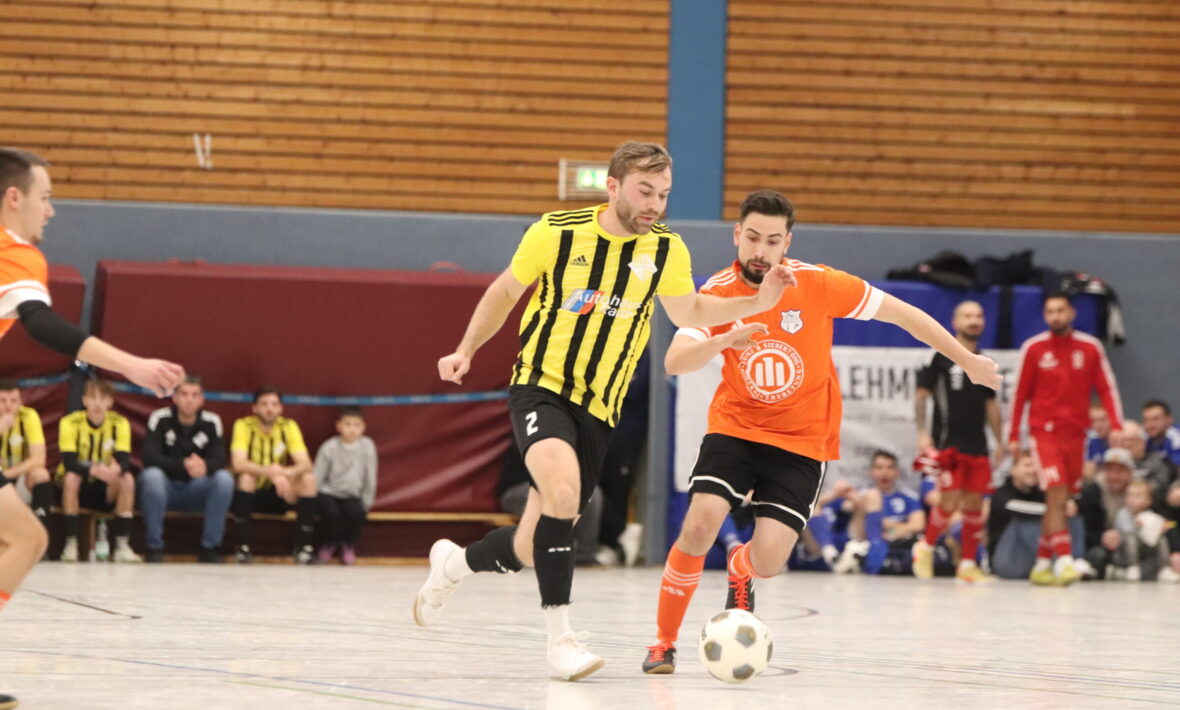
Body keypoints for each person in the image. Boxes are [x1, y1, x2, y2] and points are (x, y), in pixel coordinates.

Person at [415, 142, 796, 682]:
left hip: (600, 409)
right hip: (542, 388)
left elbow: (689, 309)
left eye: (663, 194)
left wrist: (755, 304)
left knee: (530, 546)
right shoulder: (556, 232)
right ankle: (561, 641)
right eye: (645, 191)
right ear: (613, 187)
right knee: (563, 492)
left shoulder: (666, 249)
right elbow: (505, 292)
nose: (655, 204)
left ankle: (453, 563)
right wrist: (466, 349)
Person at [641, 189, 1000, 674]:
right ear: (737, 235)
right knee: (700, 523)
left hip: (802, 440)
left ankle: (742, 568)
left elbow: (904, 315)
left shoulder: (818, 283)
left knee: (770, 561)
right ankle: (663, 643)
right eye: (752, 238)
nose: (760, 251)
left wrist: (967, 360)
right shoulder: (719, 292)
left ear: (787, 242)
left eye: (772, 241)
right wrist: (725, 337)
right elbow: (674, 361)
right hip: (737, 426)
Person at [0, 147, 183, 709]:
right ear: (14, 197)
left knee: (26, 537)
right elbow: (41, 323)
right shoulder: (15, 253)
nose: (51, 210)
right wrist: (132, 366)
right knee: (26, 538)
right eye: (46, 197)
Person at [1007, 292, 1123, 586]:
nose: (1055, 316)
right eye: (1049, 311)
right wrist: (1013, 435)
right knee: (1057, 492)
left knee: (1059, 500)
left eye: (1060, 310)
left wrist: (1116, 424)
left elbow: (1106, 387)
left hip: (1076, 435)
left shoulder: (1090, 347)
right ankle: (1066, 559)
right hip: (1044, 433)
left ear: (1072, 313)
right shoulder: (1034, 348)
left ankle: (1042, 563)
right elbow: (1020, 394)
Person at [912, 299, 1002, 583]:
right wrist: (922, 432)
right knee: (949, 501)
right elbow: (921, 394)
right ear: (955, 322)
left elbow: (991, 405)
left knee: (975, 505)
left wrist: (1000, 441)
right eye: (967, 316)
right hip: (947, 443)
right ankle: (925, 548)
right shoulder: (938, 356)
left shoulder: (986, 360)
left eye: (978, 315)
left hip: (978, 445)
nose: (974, 321)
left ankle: (968, 565)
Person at [139, 375, 234, 563]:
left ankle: (209, 548)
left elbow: (219, 459)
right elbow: (149, 457)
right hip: (165, 489)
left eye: (194, 395)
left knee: (224, 479)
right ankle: (154, 548)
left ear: (202, 399)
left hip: (196, 489)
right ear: (174, 397)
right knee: (151, 476)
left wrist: (204, 466)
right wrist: (183, 465)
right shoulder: (160, 418)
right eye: (184, 394)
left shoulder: (212, 421)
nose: (189, 400)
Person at [56, 379, 140, 563]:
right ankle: (71, 545)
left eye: (102, 398)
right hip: (79, 486)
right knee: (71, 478)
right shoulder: (70, 422)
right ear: (84, 400)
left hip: (105, 487)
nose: (97, 403)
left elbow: (125, 460)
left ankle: (122, 545)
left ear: (110, 402)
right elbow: (69, 462)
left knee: (127, 479)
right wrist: (93, 470)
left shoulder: (120, 423)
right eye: (92, 398)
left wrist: (116, 469)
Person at [229, 387, 317, 564]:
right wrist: (269, 472)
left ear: (281, 408)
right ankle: (243, 548)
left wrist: (284, 473)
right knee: (246, 477)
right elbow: (238, 463)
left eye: (274, 404)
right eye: (264, 404)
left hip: (280, 491)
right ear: (254, 408)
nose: (269, 409)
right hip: (252, 493)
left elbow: (306, 463)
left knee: (309, 480)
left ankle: (304, 549)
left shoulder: (288, 426)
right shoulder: (243, 425)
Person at [313, 406, 378, 565]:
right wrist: (315, 498)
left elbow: (371, 475)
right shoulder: (329, 447)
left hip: (352, 494)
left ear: (363, 427)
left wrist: (367, 502)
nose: (352, 429)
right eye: (347, 424)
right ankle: (329, 543)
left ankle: (347, 545)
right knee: (331, 514)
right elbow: (317, 476)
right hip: (329, 493)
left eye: (356, 425)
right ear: (339, 426)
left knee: (357, 513)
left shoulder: (367, 446)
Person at [854, 451, 926, 576]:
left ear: (897, 472)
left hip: (900, 545)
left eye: (890, 468)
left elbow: (918, 525)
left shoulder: (908, 496)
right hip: (869, 544)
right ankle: (876, 555)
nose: (884, 473)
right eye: (879, 468)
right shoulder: (862, 496)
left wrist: (888, 527)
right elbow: (859, 531)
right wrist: (891, 527)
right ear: (871, 471)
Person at [0, 380, 52, 537]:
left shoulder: (29, 416)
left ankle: (41, 535)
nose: (8, 406)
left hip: (15, 478)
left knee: (40, 474)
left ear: (21, 401)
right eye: (3, 400)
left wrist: (6, 475)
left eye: (13, 401)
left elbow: (39, 458)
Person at [1078, 447, 1135, 580]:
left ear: (1130, 472)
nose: (1114, 476)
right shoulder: (1092, 492)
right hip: (1101, 546)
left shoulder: (1139, 490)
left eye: (1120, 471)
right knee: (1097, 556)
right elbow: (1084, 530)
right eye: (1109, 470)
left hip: (1133, 544)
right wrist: (1102, 537)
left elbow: (1167, 523)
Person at [1110, 479, 1177, 582]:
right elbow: (1126, 533)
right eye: (1129, 495)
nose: (1132, 499)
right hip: (1125, 554)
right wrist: (1137, 526)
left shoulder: (1150, 515)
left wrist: (1163, 527)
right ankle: (1132, 568)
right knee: (1130, 538)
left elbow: (1172, 524)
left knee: (1161, 539)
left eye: (1137, 496)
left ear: (1148, 501)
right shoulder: (1123, 514)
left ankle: (1164, 569)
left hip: (1144, 554)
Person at [1141, 399, 1180, 467]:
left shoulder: (1177, 436)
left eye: (1156, 419)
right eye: (1147, 420)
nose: (1150, 425)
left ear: (1169, 419)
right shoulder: (1142, 438)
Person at [1083, 403, 1112, 481]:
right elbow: (1087, 473)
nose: (1098, 425)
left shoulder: (1122, 439)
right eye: (1093, 421)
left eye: (1103, 420)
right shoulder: (1083, 442)